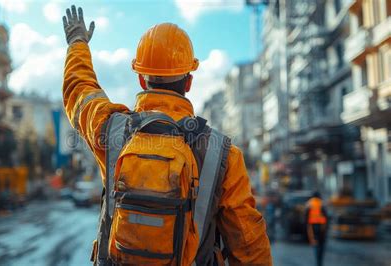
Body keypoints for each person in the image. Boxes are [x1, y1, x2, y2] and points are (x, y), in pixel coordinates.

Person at [61, 5, 272, 265]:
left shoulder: (111, 130)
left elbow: (79, 91)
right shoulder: (222, 154)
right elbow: (249, 246)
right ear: (188, 82)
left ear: (141, 79)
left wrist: (77, 43)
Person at [305, 191, 328, 266]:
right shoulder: (322, 203)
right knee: (322, 243)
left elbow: (306, 216)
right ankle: (320, 262)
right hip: (322, 226)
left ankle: (317, 261)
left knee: (315, 243)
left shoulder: (309, 203)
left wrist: (307, 225)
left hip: (312, 226)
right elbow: (326, 215)